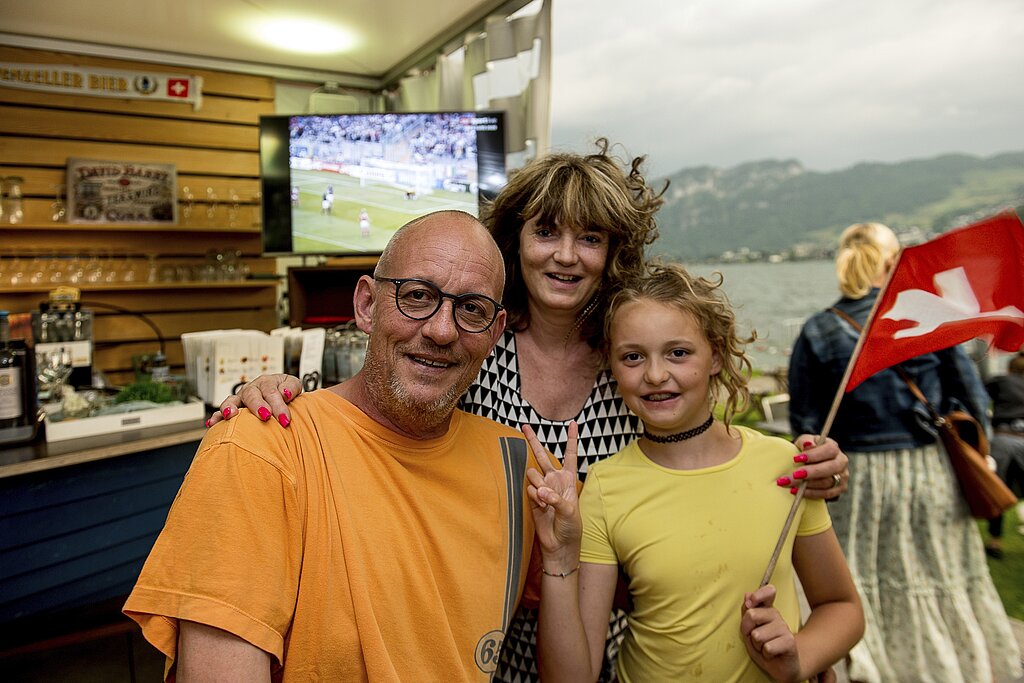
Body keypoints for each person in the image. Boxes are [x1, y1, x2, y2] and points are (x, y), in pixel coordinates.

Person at [211, 140, 851, 682]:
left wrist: (809, 466)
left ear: (614, 252)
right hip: (466, 632)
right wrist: (272, 389)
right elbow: (370, 408)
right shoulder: (468, 337)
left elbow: (705, 464)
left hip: (617, 644)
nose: (566, 255)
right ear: (514, 241)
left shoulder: (631, 361)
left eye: (590, 237)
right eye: (546, 231)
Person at [124, 211, 553, 680]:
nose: (442, 330)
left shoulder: (516, 465)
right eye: (417, 296)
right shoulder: (261, 446)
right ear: (367, 306)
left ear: (494, 331)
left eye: (472, 308)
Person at [523, 262, 863, 682]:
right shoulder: (605, 488)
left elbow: (841, 607)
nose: (655, 374)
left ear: (716, 355)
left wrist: (799, 658)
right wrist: (557, 557)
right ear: (612, 368)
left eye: (678, 353)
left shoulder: (783, 465)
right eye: (633, 357)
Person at [787, 222, 1022, 683]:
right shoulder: (929, 316)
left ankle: (874, 666)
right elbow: (969, 396)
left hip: (858, 477)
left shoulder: (819, 328)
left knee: (864, 579)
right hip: (928, 469)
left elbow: (806, 423)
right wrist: (983, 450)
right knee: (941, 572)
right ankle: (950, 666)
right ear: (892, 262)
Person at [983, 351, 1024, 558]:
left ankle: (995, 542)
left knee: (996, 491)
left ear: (1009, 368)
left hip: (1003, 438)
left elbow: (978, 396)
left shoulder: (1002, 381)